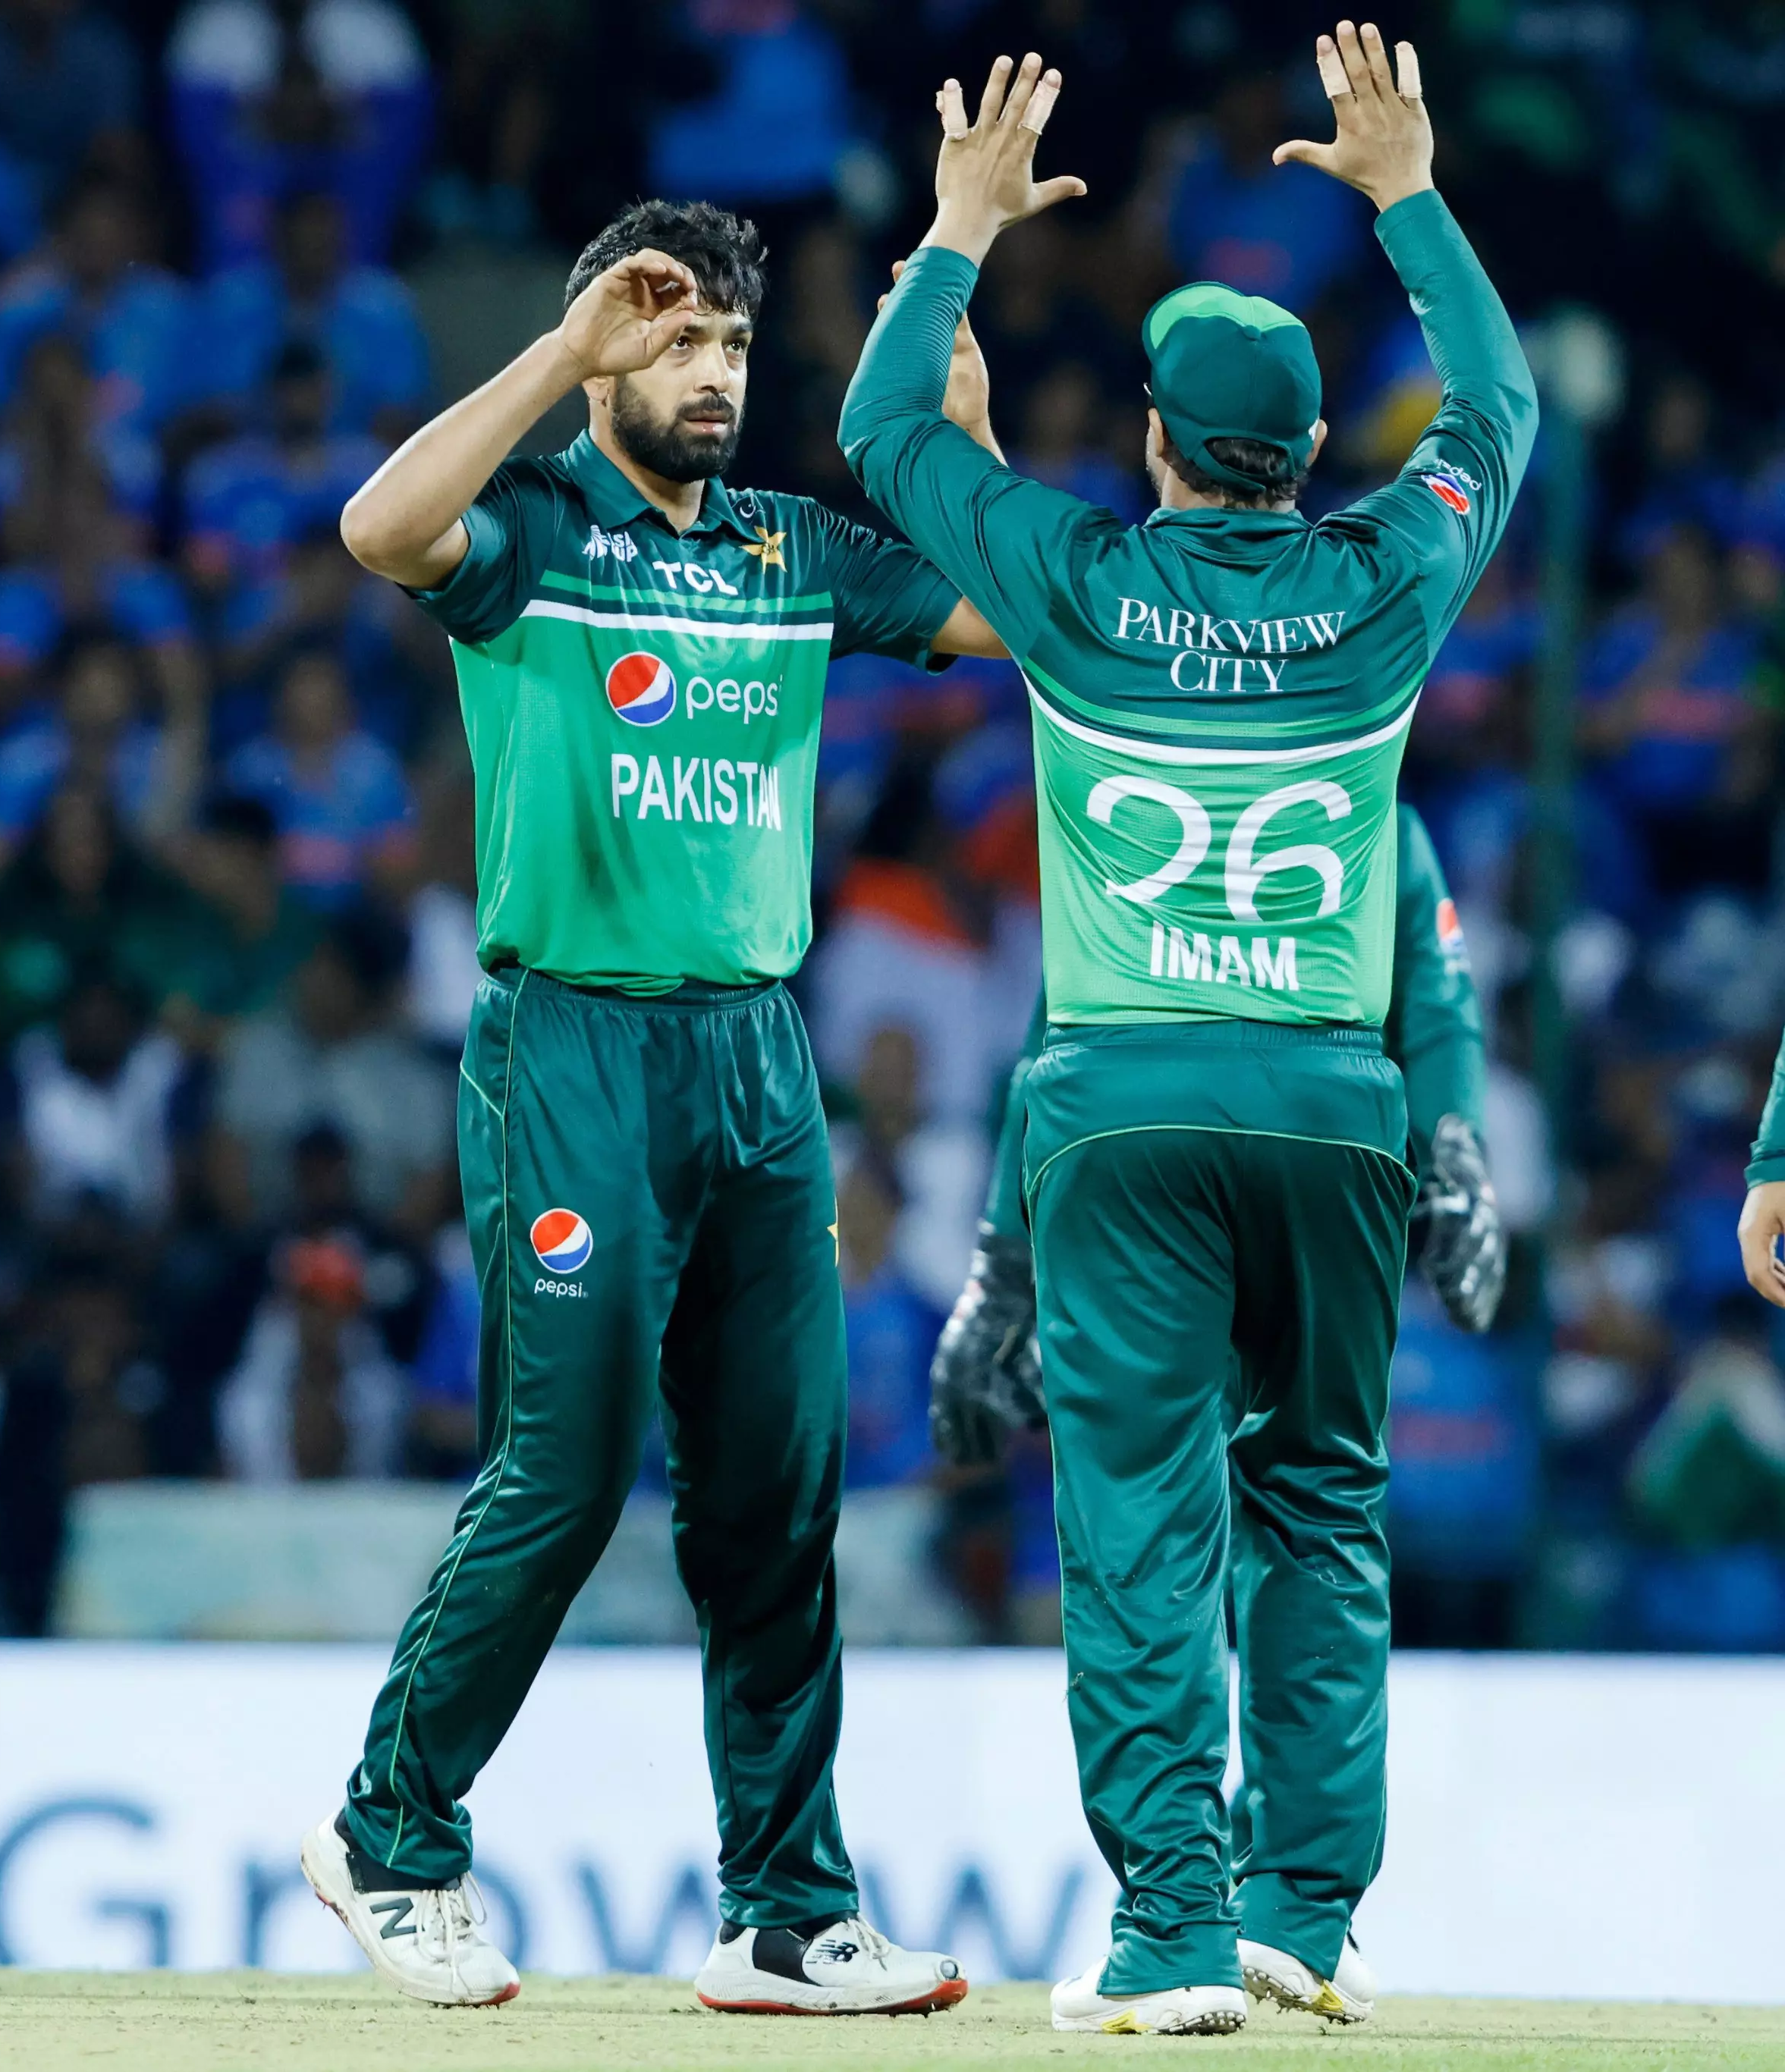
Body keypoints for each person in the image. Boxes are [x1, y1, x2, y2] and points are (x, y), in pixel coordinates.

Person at [840, 31, 1535, 2036]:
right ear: (1308, 453)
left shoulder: (1074, 581)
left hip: (1126, 1102)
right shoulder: (1392, 575)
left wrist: (960, 231)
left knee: (1146, 1508)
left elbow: (890, 432)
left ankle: (1168, 1936)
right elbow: (1496, 403)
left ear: (1154, 438)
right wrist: (1407, 193)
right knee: (1320, 1492)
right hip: (1339, 1100)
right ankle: (1303, 1917)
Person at [303, 194, 1010, 2017]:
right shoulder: (535, 530)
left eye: (728, 347)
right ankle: (393, 1832)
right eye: (675, 339)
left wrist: (972, 393)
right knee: (564, 1465)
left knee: (778, 1492)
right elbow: (379, 528)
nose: (710, 375)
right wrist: (562, 356)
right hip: (578, 1044)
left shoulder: (787, 547)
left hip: (756, 1056)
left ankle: (784, 1908)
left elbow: (1014, 613)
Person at [934, 804, 1510, 1469]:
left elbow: (1441, 1009)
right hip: (1194, 1216)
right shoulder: (1140, 819)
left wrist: (1458, 1153)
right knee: (1211, 1498)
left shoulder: (1370, 816)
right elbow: (1053, 1048)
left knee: (1256, 1496)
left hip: (1264, 1215)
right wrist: (1004, 1267)